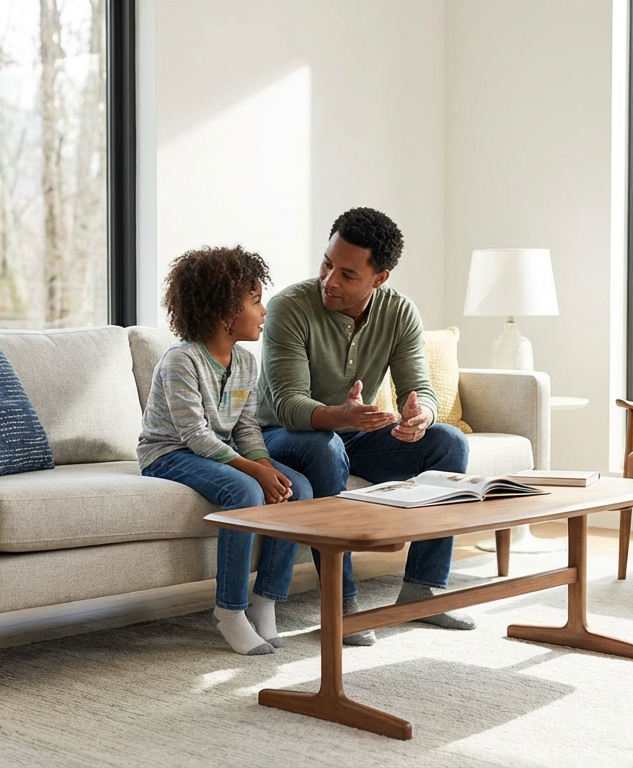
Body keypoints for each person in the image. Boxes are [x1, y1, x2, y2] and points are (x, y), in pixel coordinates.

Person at [257, 206, 473, 646]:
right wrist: (341, 415)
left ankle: (423, 589)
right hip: (282, 437)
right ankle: (341, 600)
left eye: (348, 275)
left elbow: (421, 389)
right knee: (323, 447)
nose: (330, 280)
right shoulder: (289, 307)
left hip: (353, 433)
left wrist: (421, 416)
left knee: (447, 442)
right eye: (327, 264)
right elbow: (288, 405)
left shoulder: (399, 312)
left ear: (380, 278)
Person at [139, 246, 312, 656]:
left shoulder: (248, 363)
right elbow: (195, 435)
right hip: (169, 453)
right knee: (246, 493)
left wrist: (267, 467)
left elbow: (247, 427)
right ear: (226, 311)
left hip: (217, 448)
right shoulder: (181, 361)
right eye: (255, 301)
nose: (264, 309)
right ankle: (229, 611)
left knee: (299, 489)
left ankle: (265, 600)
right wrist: (255, 476)